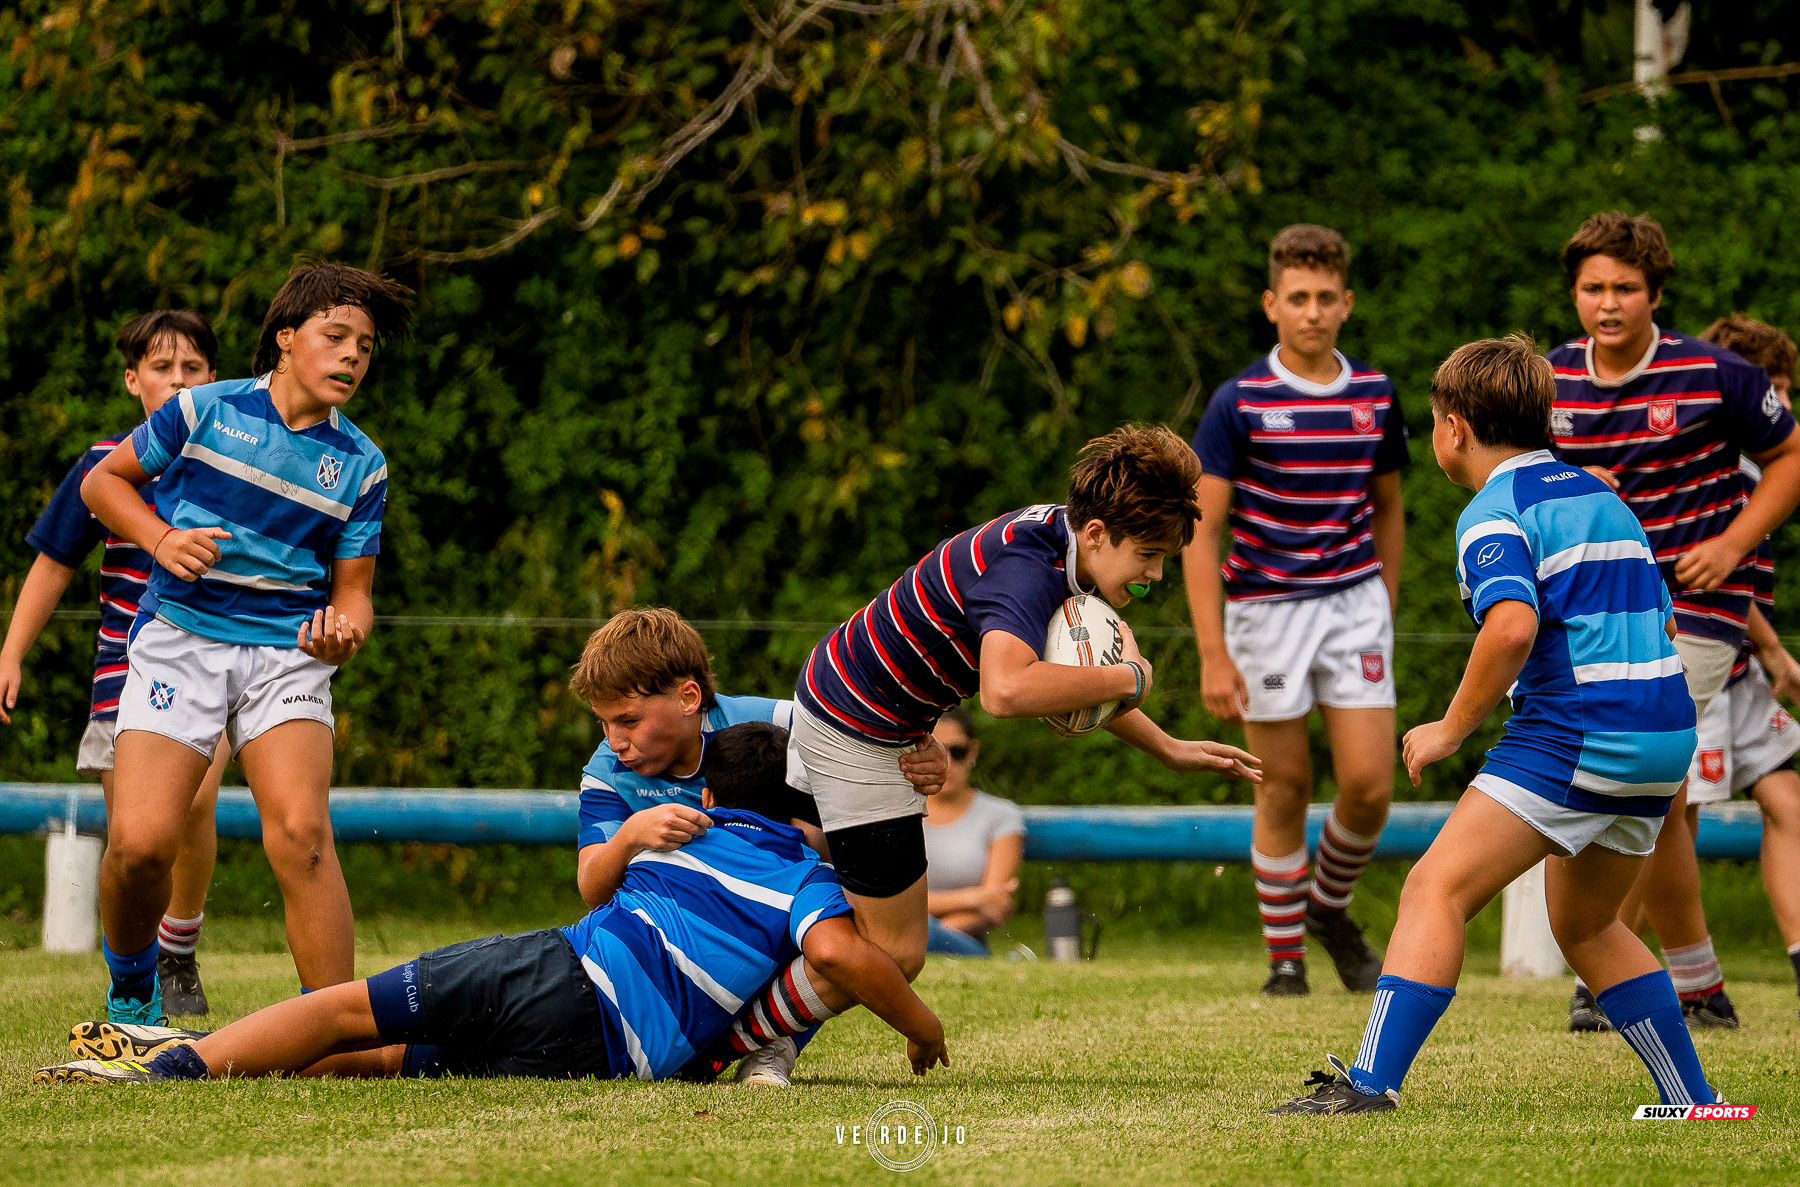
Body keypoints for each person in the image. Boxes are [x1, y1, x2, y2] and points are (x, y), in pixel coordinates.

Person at [1273, 335, 1717, 1115]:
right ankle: (1692, 1096)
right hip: (1664, 732)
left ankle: (1371, 1085)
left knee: (1434, 887)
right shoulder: (1600, 494)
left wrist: (1448, 727)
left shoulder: (1493, 510)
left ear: (1453, 427)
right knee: (1585, 922)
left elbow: (1510, 626)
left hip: (1580, 728)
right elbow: (1667, 622)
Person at [36, 723, 950, 1087]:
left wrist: (922, 1026)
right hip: (611, 1058)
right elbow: (837, 953)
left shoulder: (693, 828)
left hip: (569, 974)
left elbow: (838, 958)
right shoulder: (808, 882)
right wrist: (916, 1019)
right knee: (389, 1059)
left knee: (348, 1009)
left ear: (715, 797)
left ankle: (170, 1071)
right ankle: (199, 1057)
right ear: (813, 812)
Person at [787, 424, 1261, 994]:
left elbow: (1066, 682)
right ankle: (753, 1040)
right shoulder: (1028, 571)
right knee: (895, 953)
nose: (1155, 576)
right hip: (854, 724)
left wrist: (1168, 748)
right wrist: (1129, 676)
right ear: (1096, 532)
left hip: (866, 710)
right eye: (1149, 555)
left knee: (878, 939)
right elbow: (1006, 691)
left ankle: (754, 1030)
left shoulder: (1061, 546)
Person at [78, 261, 412, 1022]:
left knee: (302, 834)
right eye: (337, 336)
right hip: (183, 640)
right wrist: (160, 539)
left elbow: (354, 597)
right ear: (286, 340)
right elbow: (104, 482)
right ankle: (133, 987)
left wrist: (341, 634)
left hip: (286, 654)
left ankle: (332, 1028)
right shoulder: (202, 410)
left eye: (365, 345)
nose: (354, 355)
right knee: (139, 846)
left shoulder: (362, 464)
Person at [1548, 214, 1800, 1032]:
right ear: (1575, 293)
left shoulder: (1716, 374)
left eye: (1625, 287)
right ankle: (1696, 983)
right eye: (1594, 287)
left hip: (1694, 605)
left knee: (1650, 783)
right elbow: (1504, 470)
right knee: (1661, 797)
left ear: (1656, 293)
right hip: (1590, 607)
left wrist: (1731, 545)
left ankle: (1613, 970)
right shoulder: (1548, 379)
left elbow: (1791, 459)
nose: (1609, 302)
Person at [567, 606, 946, 1086]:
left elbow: (877, 737)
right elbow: (592, 889)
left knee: (856, 941)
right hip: (676, 948)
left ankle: (772, 1044)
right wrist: (630, 835)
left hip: (787, 908)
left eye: (628, 720)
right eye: (604, 724)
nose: (615, 740)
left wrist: (924, 752)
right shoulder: (606, 774)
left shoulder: (781, 724)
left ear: (688, 698)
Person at [1186, 224, 1408, 995]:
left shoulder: (1376, 394)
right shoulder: (1239, 400)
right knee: (1282, 784)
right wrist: (1213, 651)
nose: (1311, 312)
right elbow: (1201, 528)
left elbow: (1389, 506)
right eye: (1297, 298)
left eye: (1325, 298)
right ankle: (1285, 960)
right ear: (1272, 304)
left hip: (1352, 605)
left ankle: (1326, 905)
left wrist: (1384, 595)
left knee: (1370, 784)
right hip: (1265, 611)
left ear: (1345, 304)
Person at [1, 311, 231, 1017]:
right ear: (133, 380)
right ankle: (133, 980)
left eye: (192, 368)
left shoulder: (237, 464)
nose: (178, 380)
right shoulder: (107, 462)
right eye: (162, 368)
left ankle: (179, 950)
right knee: (137, 838)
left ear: (213, 379)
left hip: (211, 667)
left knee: (193, 802)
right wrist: (10, 653)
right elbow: (53, 564)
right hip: (121, 679)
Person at [923, 706, 1024, 957]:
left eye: (957, 752)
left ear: (973, 752)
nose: (946, 762)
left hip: (966, 944)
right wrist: (975, 897)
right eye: (935, 749)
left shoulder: (1001, 815)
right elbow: (888, 905)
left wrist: (931, 934)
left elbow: (995, 907)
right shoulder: (896, 812)